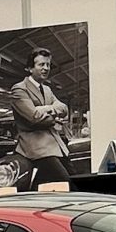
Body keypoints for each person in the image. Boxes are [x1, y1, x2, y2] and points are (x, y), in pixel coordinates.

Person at [9, 47, 71, 189]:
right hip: (36, 148)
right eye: (41, 64)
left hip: (55, 146)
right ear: (30, 68)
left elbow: (64, 109)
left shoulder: (47, 89)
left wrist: (45, 108)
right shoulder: (19, 89)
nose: (46, 68)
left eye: (48, 65)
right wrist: (54, 119)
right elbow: (34, 117)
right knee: (66, 183)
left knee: (71, 179)